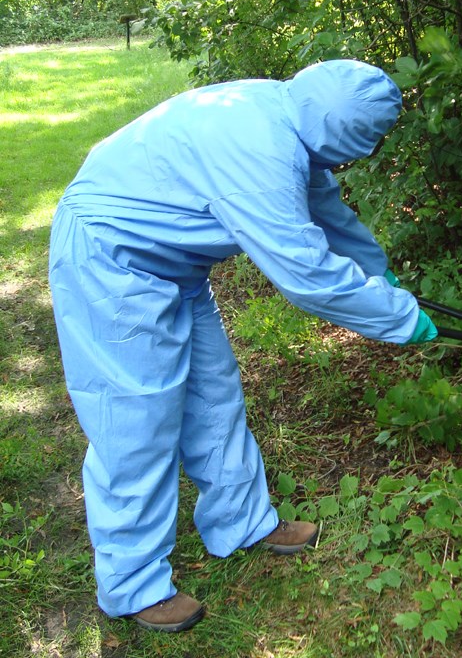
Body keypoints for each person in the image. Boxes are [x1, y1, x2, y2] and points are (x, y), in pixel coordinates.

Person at [48, 59, 438, 632]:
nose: (359, 158)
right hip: (111, 256)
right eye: (363, 145)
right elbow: (306, 274)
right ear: (343, 133)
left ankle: (243, 521)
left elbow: (330, 217)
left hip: (175, 265)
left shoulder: (290, 118)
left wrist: (380, 277)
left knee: (214, 393)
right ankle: (132, 584)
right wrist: (399, 318)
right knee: (136, 417)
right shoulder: (261, 149)